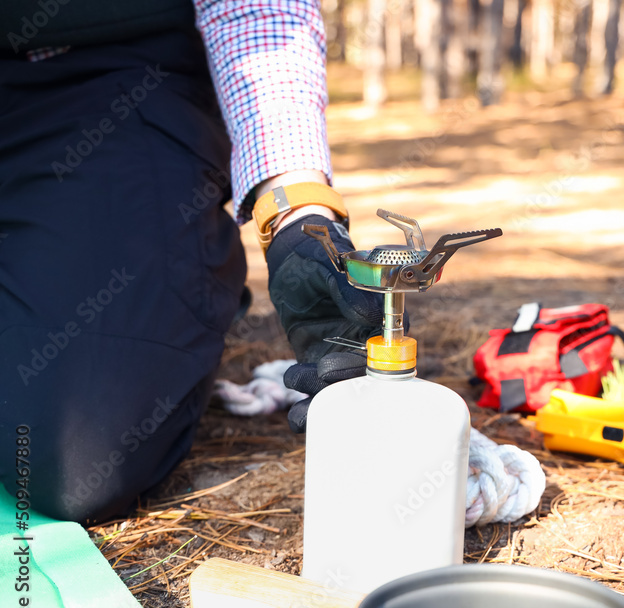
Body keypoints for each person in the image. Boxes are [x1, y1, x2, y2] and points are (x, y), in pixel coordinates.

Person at [0, 0, 381, 523]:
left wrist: (295, 215)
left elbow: (257, 14)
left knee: (72, 457)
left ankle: (176, 282)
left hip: (107, 82)